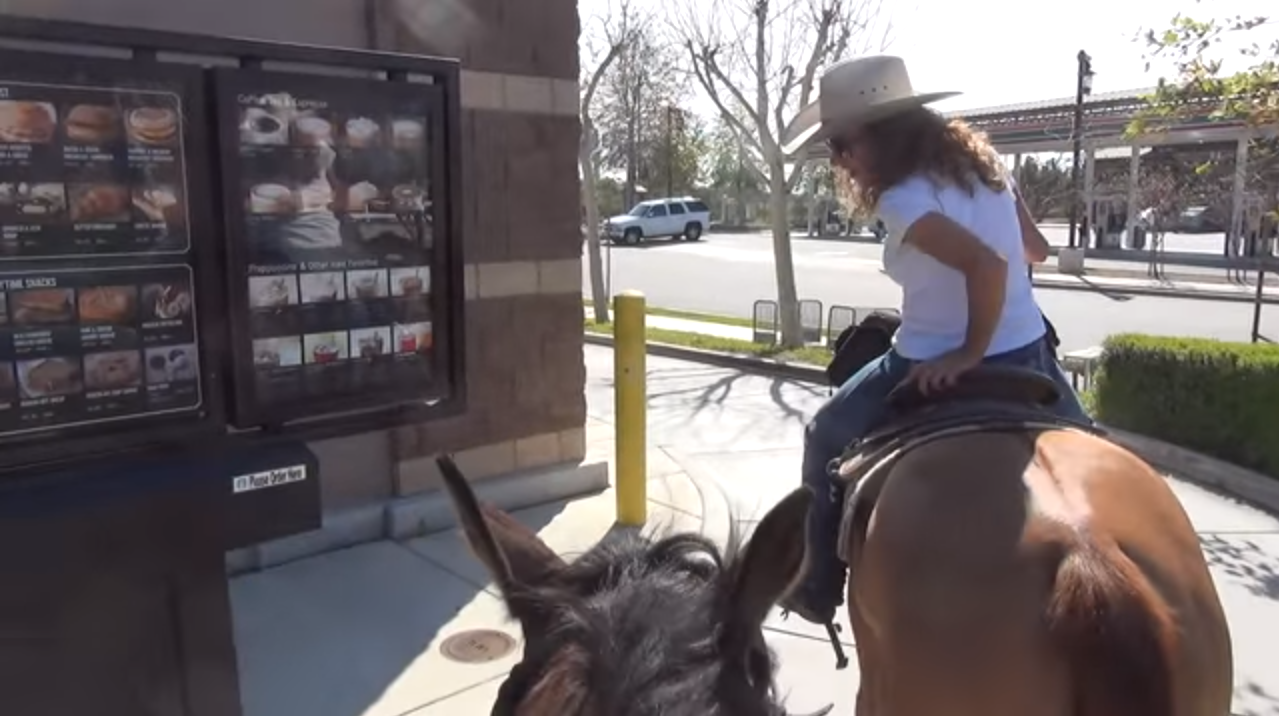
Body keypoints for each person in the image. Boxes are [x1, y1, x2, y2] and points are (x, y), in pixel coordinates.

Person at [775, 55, 1092, 625]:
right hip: (1028, 354)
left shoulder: (903, 198)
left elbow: (987, 266)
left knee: (825, 435)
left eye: (843, 145)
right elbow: (1033, 251)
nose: (840, 161)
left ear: (884, 134)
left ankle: (819, 584)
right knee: (1099, 451)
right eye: (833, 151)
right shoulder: (985, 164)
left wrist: (967, 352)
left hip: (929, 357)